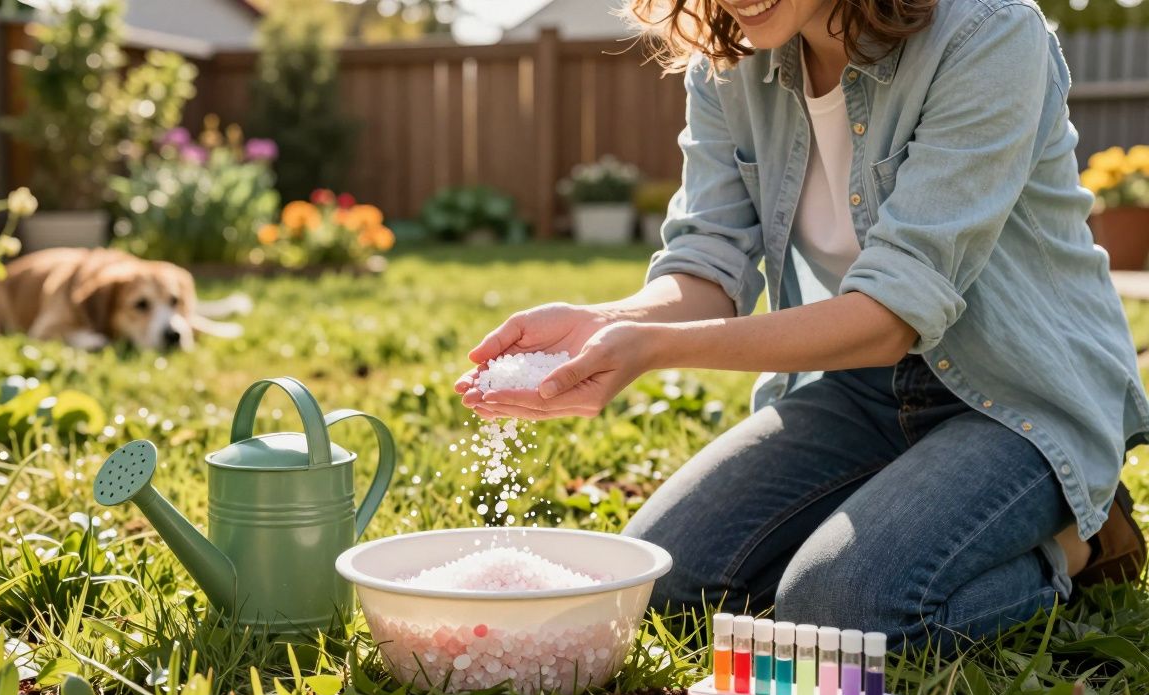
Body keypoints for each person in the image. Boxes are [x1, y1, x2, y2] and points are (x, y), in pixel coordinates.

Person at [453, 0, 1148, 646]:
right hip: (862, 390)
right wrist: (598, 322)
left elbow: (892, 316)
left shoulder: (988, 33)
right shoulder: (730, 67)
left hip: (1019, 399)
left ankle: (1073, 549)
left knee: (843, 610)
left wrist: (654, 348)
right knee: (665, 587)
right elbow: (706, 264)